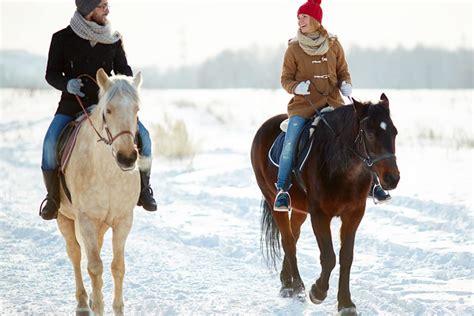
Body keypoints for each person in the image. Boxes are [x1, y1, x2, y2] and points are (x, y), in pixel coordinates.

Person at [39, 0, 157, 220]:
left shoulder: (114, 38)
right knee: (49, 142)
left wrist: (123, 86)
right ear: (88, 10)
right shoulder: (61, 39)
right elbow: (51, 74)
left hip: (109, 108)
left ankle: (143, 189)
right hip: (72, 105)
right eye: (102, 5)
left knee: (146, 138)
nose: (107, 9)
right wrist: (67, 84)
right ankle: (53, 199)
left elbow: (124, 71)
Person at [275, 0, 389, 212]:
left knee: (359, 136)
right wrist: (296, 87)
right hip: (303, 107)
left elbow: (343, 71)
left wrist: (346, 84)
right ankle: (282, 190)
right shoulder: (293, 48)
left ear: (316, 20)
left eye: (304, 17)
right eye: (298, 17)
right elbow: (285, 79)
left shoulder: (334, 44)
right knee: (290, 142)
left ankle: (373, 185)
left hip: (334, 104)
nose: (300, 21)